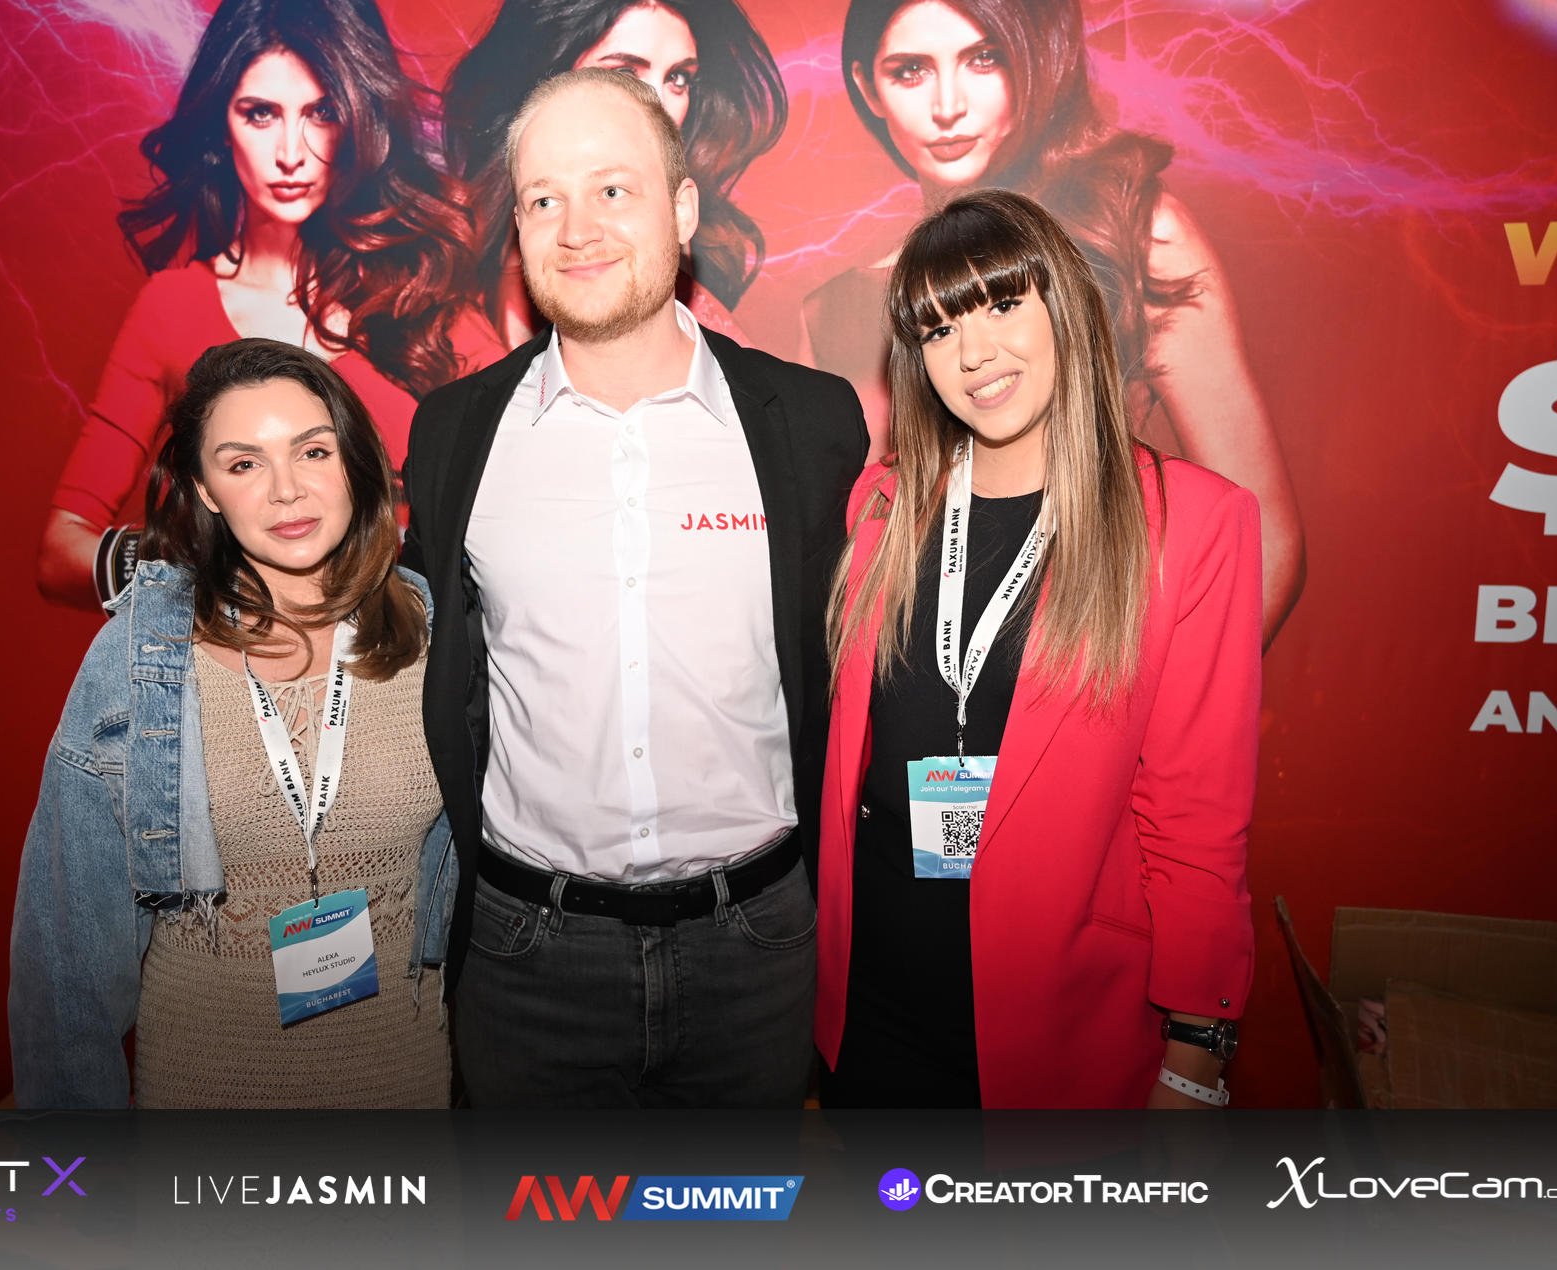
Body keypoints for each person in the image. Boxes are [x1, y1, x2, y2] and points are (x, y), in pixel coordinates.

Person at [401, 69, 867, 1107]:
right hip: (527, 958)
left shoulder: (811, 421)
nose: (577, 229)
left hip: (757, 950)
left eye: (612, 189)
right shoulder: (454, 435)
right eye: (544, 199)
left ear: (682, 209)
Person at [815, 190, 1261, 1109]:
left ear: (1067, 307)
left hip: (1060, 1036)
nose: (973, 352)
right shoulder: (880, 512)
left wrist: (1196, 1056)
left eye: (1003, 305)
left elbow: (1196, 827)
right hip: (876, 1016)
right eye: (939, 329)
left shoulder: (1192, 525)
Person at [11, 338, 457, 1108]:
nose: (286, 490)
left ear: (355, 462)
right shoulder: (142, 656)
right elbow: (67, 968)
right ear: (205, 490)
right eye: (244, 463)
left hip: (406, 1091)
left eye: (312, 451)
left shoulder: (433, 629)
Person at [804, 0, 1303, 644]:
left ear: (1036, 60)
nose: (947, 106)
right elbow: (847, 569)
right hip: (920, 685)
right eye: (911, 70)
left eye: (984, 59)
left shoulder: (1134, 237)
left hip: (1087, 671)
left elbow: (1268, 546)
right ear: (868, 86)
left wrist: (1156, 702)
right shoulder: (836, 310)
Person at [38, 0, 500, 610]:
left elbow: (530, 497)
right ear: (220, 125)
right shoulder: (172, 310)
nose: (290, 152)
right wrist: (217, 567)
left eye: (321, 113)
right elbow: (61, 552)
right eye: (260, 113)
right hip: (247, 659)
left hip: (407, 653)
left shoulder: (421, 292)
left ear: (359, 119)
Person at [443, 0, 786, 348]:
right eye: (624, 73)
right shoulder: (526, 248)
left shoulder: (663, 223)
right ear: (545, 79)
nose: (660, 109)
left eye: (677, 78)